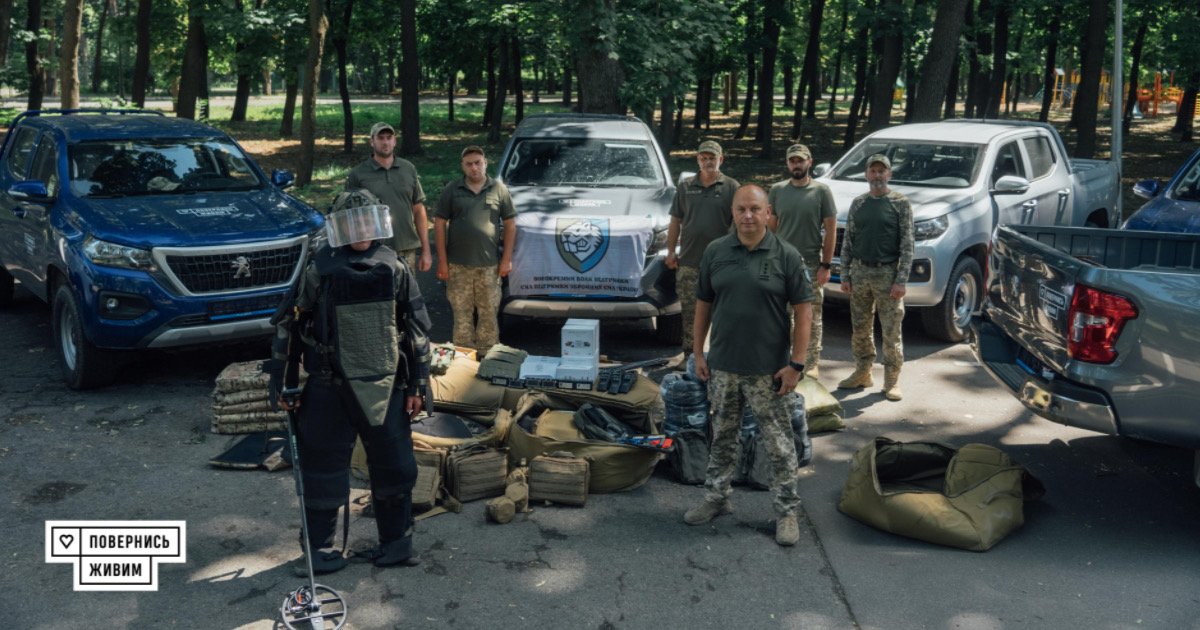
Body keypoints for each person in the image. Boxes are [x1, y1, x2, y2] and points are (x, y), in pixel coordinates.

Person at [269, 188, 433, 576]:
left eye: (367, 221)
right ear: (340, 228)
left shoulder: (394, 267)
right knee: (321, 473)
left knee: (395, 470)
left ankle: (397, 546)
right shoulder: (318, 268)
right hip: (328, 386)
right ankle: (320, 552)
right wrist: (284, 383)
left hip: (386, 387)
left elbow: (417, 331)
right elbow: (288, 325)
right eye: (353, 223)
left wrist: (417, 387)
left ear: (378, 223)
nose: (361, 230)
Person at [685, 184, 814, 547]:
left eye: (755, 209)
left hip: (768, 371)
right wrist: (698, 352)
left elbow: (804, 312)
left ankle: (786, 512)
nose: (748, 216)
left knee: (779, 444)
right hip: (723, 365)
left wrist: (797, 365)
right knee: (722, 437)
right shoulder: (716, 252)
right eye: (742, 209)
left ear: (768, 213)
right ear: (733, 212)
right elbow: (703, 305)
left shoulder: (786, 255)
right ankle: (716, 498)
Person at [837, 154, 915, 401]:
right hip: (860, 273)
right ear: (866, 174)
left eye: (882, 171)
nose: (877, 175)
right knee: (860, 327)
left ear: (889, 175)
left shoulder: (900, 203)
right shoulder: (859, 203)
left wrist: (901, 279)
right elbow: (848, 240)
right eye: (873, 171)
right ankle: (862, 372)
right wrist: (845, 274)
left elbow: (907, 244)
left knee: (891, 330)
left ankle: (891, 380)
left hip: (887, 273)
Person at [434, 146, 517, 355]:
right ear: (463, 166)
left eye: (478, 162)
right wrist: (442, 262)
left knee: (488, 315)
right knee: (462, 317)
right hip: (457, 266)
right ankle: (464, 360)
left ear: (485, 163)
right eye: (469, 164)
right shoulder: (452, 190)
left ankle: (488, 359)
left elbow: (510, 225)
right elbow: (439, 223)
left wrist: (506, 259)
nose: (474, 167)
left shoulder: (499, 190)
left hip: (489, 266)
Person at [665, 140, 739, 363]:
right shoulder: (686, 186)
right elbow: (676, 220)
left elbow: (738, 224)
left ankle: (719, 359)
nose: (708, 161)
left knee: (722, 314)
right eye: (704, 158)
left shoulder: (732, 187)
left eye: (712, 158)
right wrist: (670, 251)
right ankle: (690, 357)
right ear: (698, 160)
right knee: (690, 313)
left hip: (722, 264)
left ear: (721, 160)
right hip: (688, 261)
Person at [768, 143, 837, 379]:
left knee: (811, 315)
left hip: (809, 264)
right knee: (779, 315)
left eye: (800, 160)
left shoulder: (821, 191)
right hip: (781, 264)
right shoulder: (777, 190)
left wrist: (825, 265)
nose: (796, 165)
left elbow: (830, 229)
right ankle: (783, 359)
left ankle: (811, 361)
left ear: (810, 162)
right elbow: (772, 229)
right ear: (787, 164)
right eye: (792, 161)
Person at [346, 121, 432, 272]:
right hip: (373, 251)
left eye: (389, 137)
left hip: (406, 248)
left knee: (406, 294)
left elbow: (418, 209)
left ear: (394, 141)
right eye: (380, 138)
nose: (385, 142)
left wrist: (426, 250)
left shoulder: (408, 168)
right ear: (372, 141)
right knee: (378, 295)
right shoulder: (358, 173)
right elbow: (350, 217)